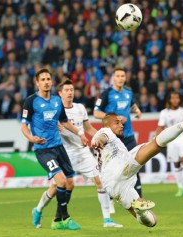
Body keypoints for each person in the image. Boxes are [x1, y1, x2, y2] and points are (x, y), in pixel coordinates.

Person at [90, 107, 183, 227]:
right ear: (107, 124)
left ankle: (140, 212)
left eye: (121, 122)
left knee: (152, 221)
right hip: (119, 170)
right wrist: (98, 141)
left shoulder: (110, 139)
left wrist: (98, 141)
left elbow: (101, 140)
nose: (121, 125)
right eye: (117, 122)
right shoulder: (105, 132)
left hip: (113, 185)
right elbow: (102, 138)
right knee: (156, 144)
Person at [31, 79, 123, 229]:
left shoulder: (80, 108)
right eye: (66, 90)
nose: (70, 92)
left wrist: (102, 138)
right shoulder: (55, 110)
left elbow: (88, 128)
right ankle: (38, 209)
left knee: (100, 180)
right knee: (59, 187)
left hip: (83, 151)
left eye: (72, 90)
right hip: (64, 152)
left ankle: (107, 219)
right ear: (60, 93)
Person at [20, 68, 80, 230]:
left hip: (58, 147)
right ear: (37, 83)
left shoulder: (56, 101)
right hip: (43, 150)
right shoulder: (31, 101)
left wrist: (80, 134)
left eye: (48, 79)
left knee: (69, 183)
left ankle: (39, 210)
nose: (46, 82)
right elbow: (24, 125)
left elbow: (65, 122)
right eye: (43, 79)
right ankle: (63, 219)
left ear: (51, 82)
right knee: (60, 181)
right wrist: (31, 138)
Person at [93, 67, 143, 213]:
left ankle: (139, 199)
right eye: (118, 76)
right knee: (113, 169)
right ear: (113, 78)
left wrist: (137, 110)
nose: (120, 78)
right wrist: (114, 119)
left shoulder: (128, 93)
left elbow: (131, 104)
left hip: (128, 136)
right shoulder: (107, 93)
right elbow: (96, 113)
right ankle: (111, 200)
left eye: (123, 76)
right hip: (113, 139)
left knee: (136, 166)